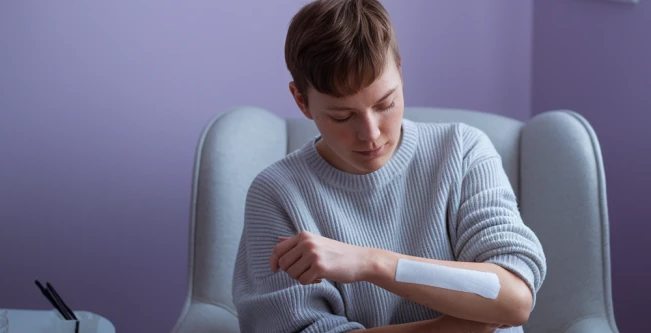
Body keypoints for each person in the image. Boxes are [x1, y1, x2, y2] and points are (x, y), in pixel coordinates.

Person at [231, 0, 547, 332]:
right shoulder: (277, 194)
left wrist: (370, 263)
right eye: (343, 116)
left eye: (386, 104)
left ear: (399, 68)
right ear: (301, 101)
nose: (370, 133)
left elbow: (514, 297)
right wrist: (465, 325)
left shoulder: (463, 151)